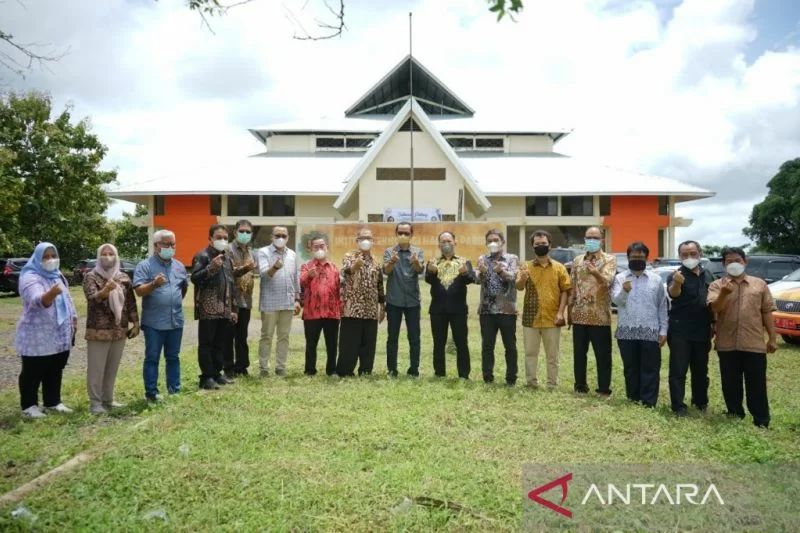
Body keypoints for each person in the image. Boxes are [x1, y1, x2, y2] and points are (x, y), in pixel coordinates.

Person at [708, 246, 778, 428]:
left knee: (757, 384)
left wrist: (772, 338)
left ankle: (761, 420)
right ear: (723, 264)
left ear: (745, 262)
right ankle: (734, 413)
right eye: (729, 261)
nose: (733, 264)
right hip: (727, 343)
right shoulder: (716, 285)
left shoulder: (759, 284)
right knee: (730, 383)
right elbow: (715, 308)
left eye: (737, 260)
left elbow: (767, 312)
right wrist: (724, 293)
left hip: (754, 343)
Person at [15, 242, 78, 418]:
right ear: (37, 258)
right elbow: (36, 299)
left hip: (60, 332)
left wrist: (74, 319)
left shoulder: (57, 276)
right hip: (37, 334)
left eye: (53, 256)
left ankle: (52, 402)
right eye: (45, 257)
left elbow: (68, 300)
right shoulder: (30, 276)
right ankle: (29, 406)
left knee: (55, 367)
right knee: (33, 370)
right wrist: (50, 294)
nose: (50, 260)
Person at [83, 243, 140, 414]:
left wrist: (136, 323)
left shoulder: (123, 277)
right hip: (98, 330)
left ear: (116, 256)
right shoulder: (91, 276)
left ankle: (108, 399)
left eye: (111, 254)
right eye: (104, 254)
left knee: (112, 367)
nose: (108, 257)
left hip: (119, 329)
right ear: (98, 257)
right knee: (97, 368)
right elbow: (92, 299)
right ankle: (95, 403)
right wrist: (105, 291)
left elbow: (130, 302)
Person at [133, 229, 189, 402]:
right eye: (166, 244)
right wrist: (154, 285)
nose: (170, 247)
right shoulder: (145, 265)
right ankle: (152, 393)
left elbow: (183, 288)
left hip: (175, 320)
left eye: (173, 244)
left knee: (173, 357)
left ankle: (174, 389)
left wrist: (173, 302)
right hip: (154, 323)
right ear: (156, 245)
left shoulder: (179, 266)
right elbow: (139, 291)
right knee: (152, 358)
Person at [611, 241, 668, 407]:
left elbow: (662, 306)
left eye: (640, 257)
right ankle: (633, 398)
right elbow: (616, 302)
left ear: (647, 258)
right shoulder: (620, 278)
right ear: (628, 258)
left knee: (650, 368)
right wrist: (624, 291)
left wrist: (663, 330)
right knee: (630, 367)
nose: (637, 259)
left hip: (650, 330)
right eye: (633, 257)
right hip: (626, 331)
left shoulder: (656, 280)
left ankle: (649, 401)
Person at [516, 230, 571, 389]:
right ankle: (531, 383)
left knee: (552, 356)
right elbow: (519, 287)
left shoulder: (559, 268)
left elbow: (565, 291)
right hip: (531, 318)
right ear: (533, 247)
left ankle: (552, 384)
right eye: (537, 244)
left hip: (553, 318)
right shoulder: (525, 266)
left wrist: (561, 312)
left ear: (550, 245)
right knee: (530, 354)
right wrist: (523, 279)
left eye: (544, 244)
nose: (541, 246)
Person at [667, 240, 715, 416]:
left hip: (703, 329)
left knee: (701, 369)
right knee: (678, 370)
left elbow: (713, 300)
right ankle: (678, 405)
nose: (689, 257)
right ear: (680, 256)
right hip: (680, 330)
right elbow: (674, 293)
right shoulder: (676, 274)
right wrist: (678, 283)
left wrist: (714, 323)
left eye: (693, 253)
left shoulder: (708, 274)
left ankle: (700, 401)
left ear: (700, 253)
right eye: (685, 254)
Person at [568, 226, 617, 396]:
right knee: (579, 354)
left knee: (603, 355)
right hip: (579, 315)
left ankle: (603, 388)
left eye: (595, 237)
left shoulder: (609, 259)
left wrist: (595, 272)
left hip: (600, 316)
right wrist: (569, 310)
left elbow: (608, 282)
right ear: (584, 239)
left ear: (602, 240)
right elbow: (573, 287)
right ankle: (580, 386)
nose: (592, 240)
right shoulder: (577, 261)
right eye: (589, 237)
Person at [191, 224, 238, 390]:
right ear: (210, 238)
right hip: (208, 309)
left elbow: (231, 285)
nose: (222, 240)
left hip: (224, 309)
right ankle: (206, 377)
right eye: (219, 237)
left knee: (220, 343)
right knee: (207, 344)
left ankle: (217, 374)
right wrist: (211, 267)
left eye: (225, 238)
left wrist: (233, 309)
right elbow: (195, 278)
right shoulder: (202, 256)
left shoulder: (227, 259)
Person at [425, 231, 476, 379]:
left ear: (455, 242)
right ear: (439, 244)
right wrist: (432, 273)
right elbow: (428, 280)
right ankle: (439, 373)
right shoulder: (433, 262)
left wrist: (465, 273)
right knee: (438, 343)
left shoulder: (464, 261)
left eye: (449, 241)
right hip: (438, 310)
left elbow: (471, 279)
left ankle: (464, 374)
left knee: (461, 342)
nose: (446, 244)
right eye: (443, 241)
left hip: (458, 309)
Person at [336, 227, 386, 377]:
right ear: (357, 241)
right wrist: (353, 267)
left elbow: (379, 285)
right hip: (352, 309)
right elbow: (344, 272)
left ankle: (365, 371)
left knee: (368, 344)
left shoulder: (376, 262)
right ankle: (345, 371)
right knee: (349, 343)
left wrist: (382, 306)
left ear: (373, 241)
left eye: (368, 238)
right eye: (362, 238)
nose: (365, 241)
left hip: (370, 310)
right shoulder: (349, 256)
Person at [476, 229, 519, 385]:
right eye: (489, 240)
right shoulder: (482, 259)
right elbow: (477, 280)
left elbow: (513, 277)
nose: (493, 243)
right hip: (487, 310)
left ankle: (511, 378)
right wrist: (481, 273)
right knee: (487, 346)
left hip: (507, 310)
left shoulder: (512, 258)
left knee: (510, 346)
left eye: (496, 240)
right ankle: (487, 377)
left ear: (503, 242)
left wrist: (501, 271)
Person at [257, 226, 301, 377]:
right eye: (277, 235)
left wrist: (297, 299)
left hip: (288, 303)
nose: (280, 238)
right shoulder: (263, 252)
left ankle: (281, 367)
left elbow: (296, 278)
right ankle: (264, 368)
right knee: (266, 336)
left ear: (288, 238)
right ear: (271, 237)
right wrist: (274, 268)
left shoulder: (292, 254)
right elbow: (263, 274)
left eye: (283, 235)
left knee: (284, 336)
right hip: (270, 302)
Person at [383, 222, 424, 377]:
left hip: (413, 302)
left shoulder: (418, 252)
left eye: (406, 233)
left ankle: (414, 370)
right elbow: (386, 272)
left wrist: (416, 262)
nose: (403, 236)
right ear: (396, 233)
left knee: (414, 337)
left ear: (411, 235)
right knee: (392, 337)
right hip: (394, 300)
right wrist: (392, 261)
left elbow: (420, 271)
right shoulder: (389, 251)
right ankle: (392, 370)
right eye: (400, 232)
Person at [300, 236, 341, 376]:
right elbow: (301, 283)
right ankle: (310, 370)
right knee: (311, 344)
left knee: (332, 344)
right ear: (311, 249)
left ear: (327, 247)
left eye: (322, 246)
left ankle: (332, 370)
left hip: (332, 313)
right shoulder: (306, 266)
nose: (319, 249)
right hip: (312, 313)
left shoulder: (334, 268)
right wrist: (309, 276)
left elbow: (339, 289)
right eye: (316, 247)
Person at [225, 219, 259, 378]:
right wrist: (246, 268)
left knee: (242, 336)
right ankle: (228, 368)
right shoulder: (228, 250)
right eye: (242, 231)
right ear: (235, 232)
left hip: (246, 300)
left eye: (248, 232)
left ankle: (242, 366)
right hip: (231, 300)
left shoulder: (251, 252)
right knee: (228, 335)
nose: (245, 234)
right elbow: (227, 273)